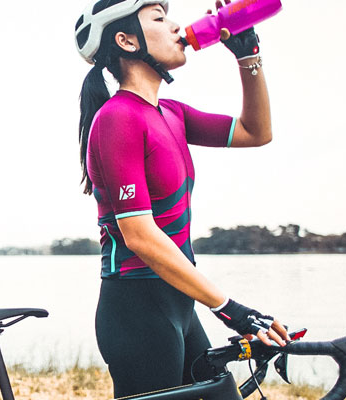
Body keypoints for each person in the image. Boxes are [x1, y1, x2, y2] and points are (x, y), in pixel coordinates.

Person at [74, 0, 291, 397]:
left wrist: (248, 55)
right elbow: (138, 235)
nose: (176, 27)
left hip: (179, 301)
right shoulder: (117, 117)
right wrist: (231, 309)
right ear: (125, 40)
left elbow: (256, 132)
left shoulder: (172, 113)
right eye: (158, 19)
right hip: (136, 307)